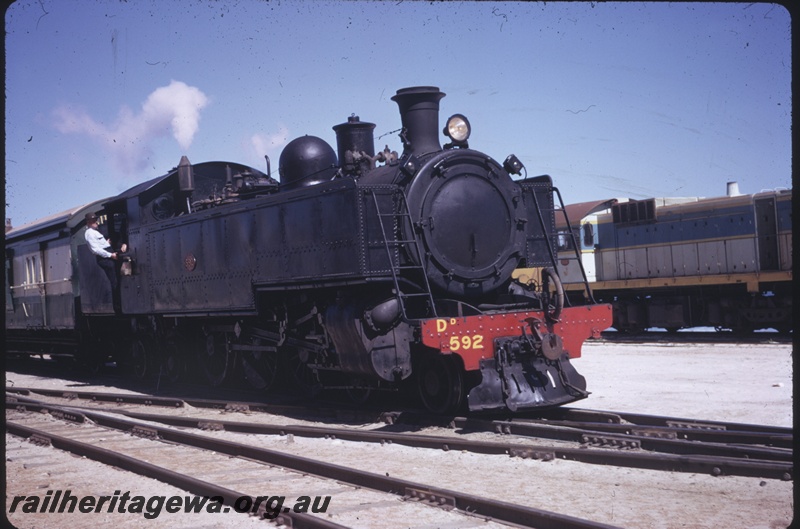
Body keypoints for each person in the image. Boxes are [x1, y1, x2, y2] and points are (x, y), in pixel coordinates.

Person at [84, 213, 126, 313]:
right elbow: (95, 249)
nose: (96, 222)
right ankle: (118, 307)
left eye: (96, 220)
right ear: (89, 222)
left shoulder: (94, 232)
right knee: (114, 281)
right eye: (94, 221)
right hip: (105, 259)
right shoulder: (89, 233)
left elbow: (100, 246)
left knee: (117, 279)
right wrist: (110, 255)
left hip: (107, 256)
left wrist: (107, 243)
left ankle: (120, 304)